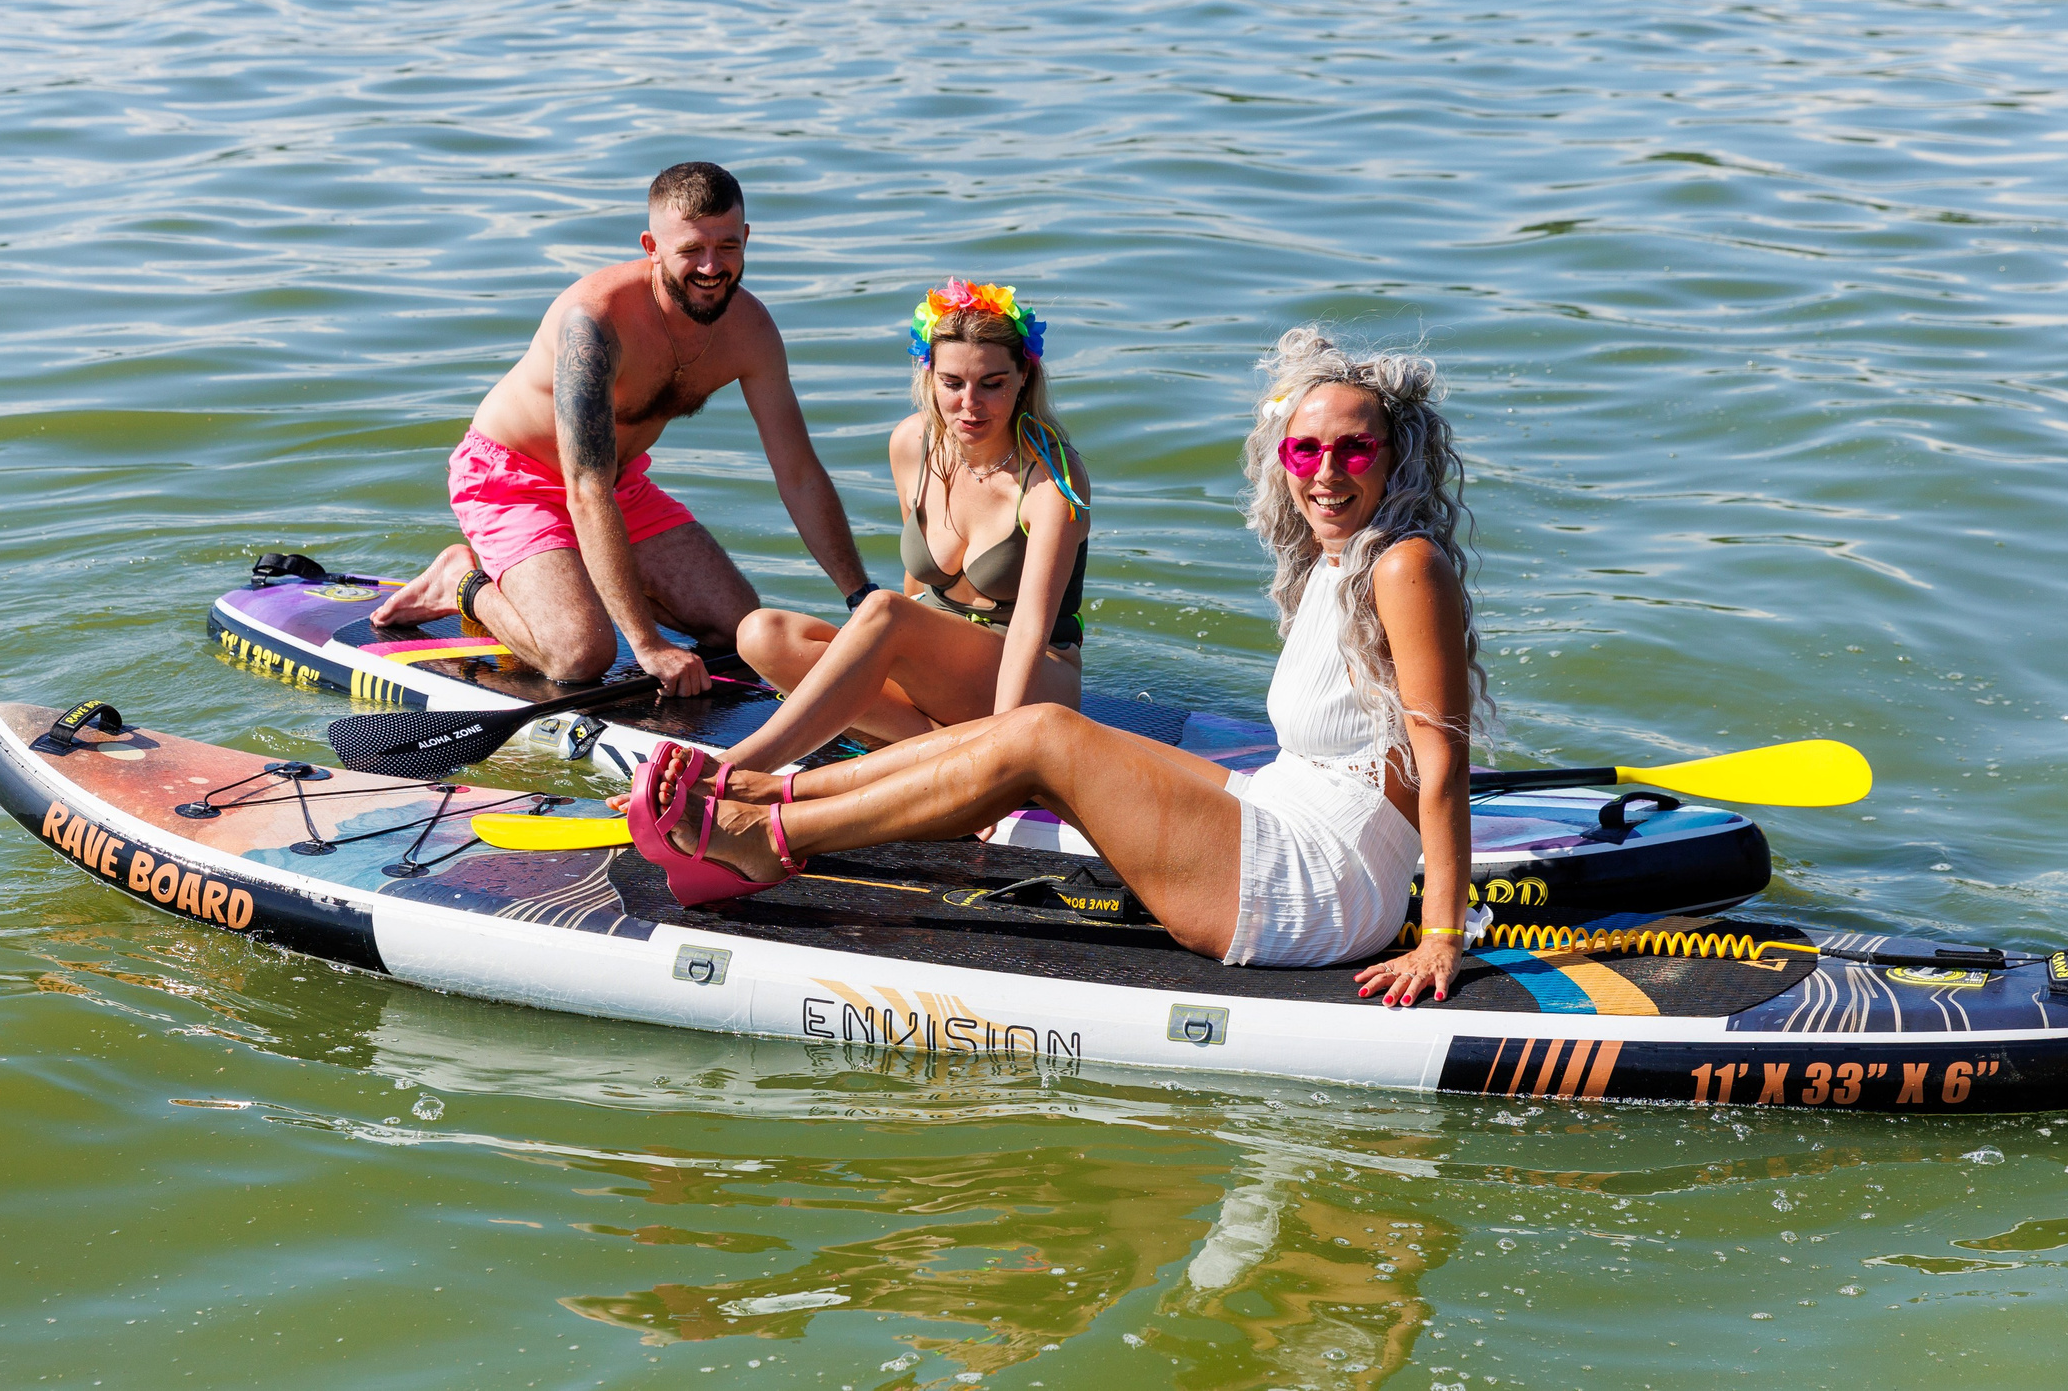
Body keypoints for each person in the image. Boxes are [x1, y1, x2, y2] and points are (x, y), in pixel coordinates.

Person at [628, 326, 1492, 1005]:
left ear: (1395, 456)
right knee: (1053, 743)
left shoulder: (1404, 565)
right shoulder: (1335, 562)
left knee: (1038, 735)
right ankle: (764, 794)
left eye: (1354, 449)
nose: (1327, 473)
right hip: (1280, 807)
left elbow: (1441, 759)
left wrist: (1441, 935)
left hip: (1318, 884)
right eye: (1306, 451)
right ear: (1283, 460)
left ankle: (769, 839)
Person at [375, 163, 870, 696]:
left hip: (618, 483)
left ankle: (566, 577)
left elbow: (797, 473)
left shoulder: (751, 331)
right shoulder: (595, 323)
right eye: (691, 250)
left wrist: (859, 598)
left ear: (747, 237)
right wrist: (647, 644)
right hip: (512, 481)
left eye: (727, 247)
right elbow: (584, 489)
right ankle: (461, 580)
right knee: (581, 655)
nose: (711, 266)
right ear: (651, 245)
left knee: (740, 629)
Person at [708, 278, 1091, 775]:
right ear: (929, 376)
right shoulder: (913, 444)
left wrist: (1004, 756)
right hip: (936, 672)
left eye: (992, 384)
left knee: (883, 609)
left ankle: (736, 767)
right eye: (952, 383)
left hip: (1037, 678)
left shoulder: (1051, 478)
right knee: (762, 634)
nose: (969, 404)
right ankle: (940, 749)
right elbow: (919, 591)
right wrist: (871, 661)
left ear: (1024, 378)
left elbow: (1030, 630)